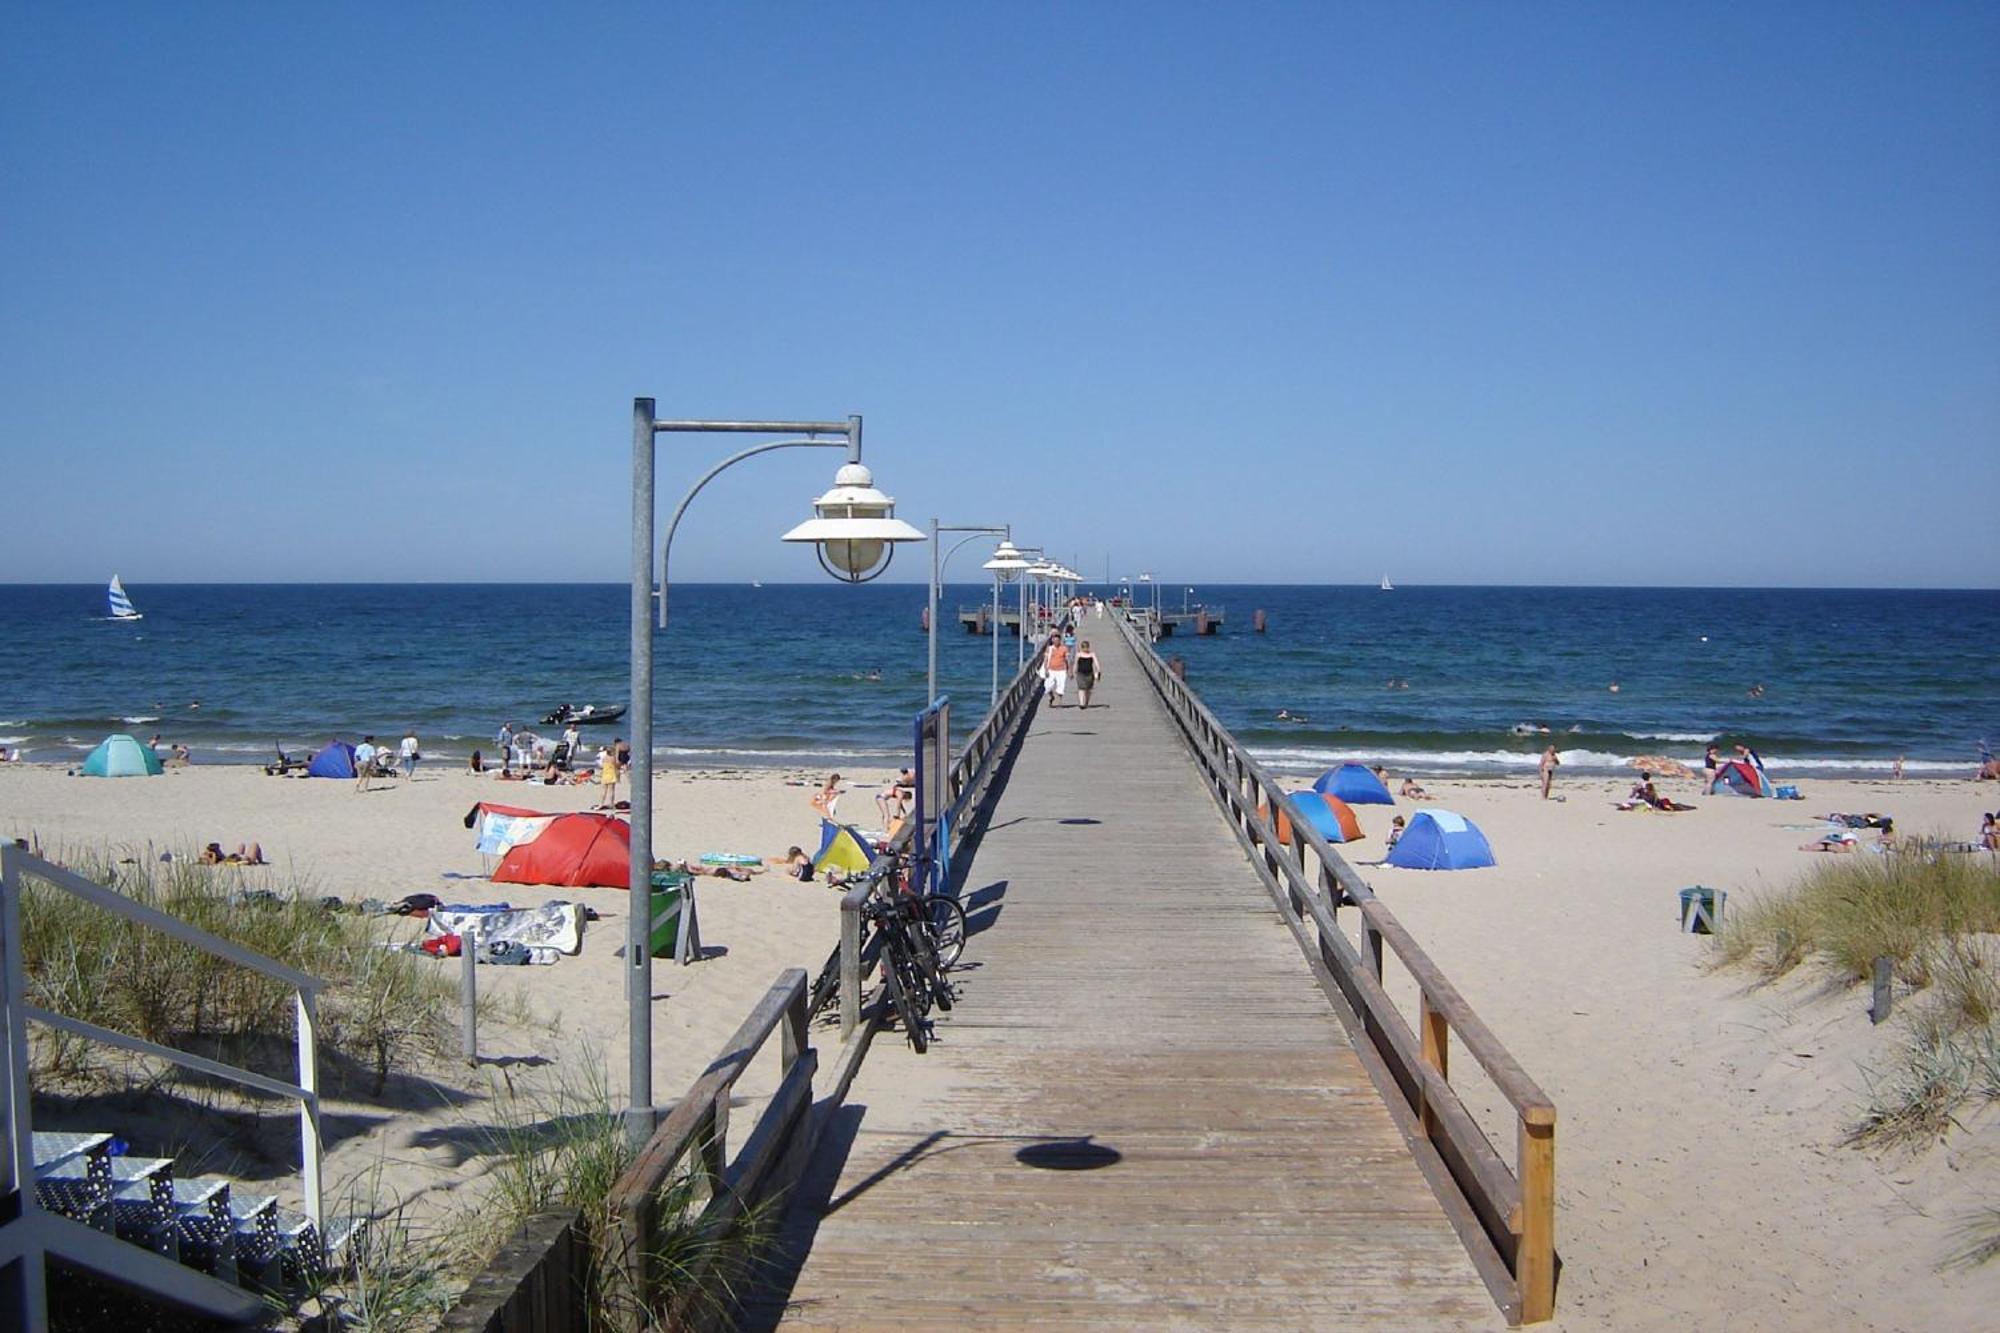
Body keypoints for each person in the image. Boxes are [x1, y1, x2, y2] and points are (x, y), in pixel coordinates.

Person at [1073, 640, 1102, 709]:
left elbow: (1096, 663)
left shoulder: (1092, 654)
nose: (1085, 649)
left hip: (1089, 673)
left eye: (1086, 647)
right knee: (1081, 688)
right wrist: (1074, 671)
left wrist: (1098, 670)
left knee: (1088, 689)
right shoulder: (1078, 654)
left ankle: (1086, 702)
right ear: (1082, 648)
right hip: (1080, 673)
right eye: (1084, 647)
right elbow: (1076, 663)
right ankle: (1081, 703)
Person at [1044, 635, 1070, 707]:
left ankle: (1060, 702)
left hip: (1061, 670)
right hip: (1051, 670)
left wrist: (1069, 670)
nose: (1056, 642)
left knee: (1060, 686)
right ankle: (1052, 696)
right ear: (1052, 641)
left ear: (1060, 641)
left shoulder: (1064, 648)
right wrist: (1046, 669)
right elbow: (1045, 660)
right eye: (1054, 640)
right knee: (1047, 686)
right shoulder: (1049, 649)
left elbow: (1067, 660)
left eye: (1057, 640)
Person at [597, 744, 621, 809]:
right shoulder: (613, 758)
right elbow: (617, 766)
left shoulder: (604, 758)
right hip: (612, 774)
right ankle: (611, 804)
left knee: (603, 791)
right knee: (611, 791)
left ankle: (600, 804)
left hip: (605, 774)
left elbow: (602, 766)